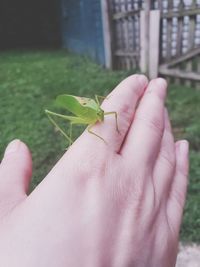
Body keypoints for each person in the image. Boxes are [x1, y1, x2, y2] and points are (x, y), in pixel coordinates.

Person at [0, 75, 189, 267]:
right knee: (62, 117)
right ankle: (70, 140)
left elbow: (111, 113)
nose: (101, 116)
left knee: (105, 115)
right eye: (100, 114)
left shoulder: (105, 112)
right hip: (84, 114)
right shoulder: (91, 122)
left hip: (91, 108)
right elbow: (91, 128)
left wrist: (111, 122)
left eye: (101, 112)